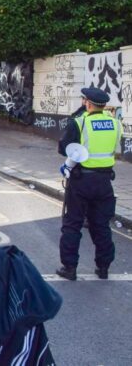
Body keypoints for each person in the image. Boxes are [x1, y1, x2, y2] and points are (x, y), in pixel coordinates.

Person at [56, 88, 121, 281]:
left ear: (88, 103)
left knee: (72, 224)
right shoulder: (116, 123)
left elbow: (64, 148)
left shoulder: (80, 121)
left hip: (81, 180)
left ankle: (70, 268)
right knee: (101, 225)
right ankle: (103, 267)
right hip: (104, 182)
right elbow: (113, 149)